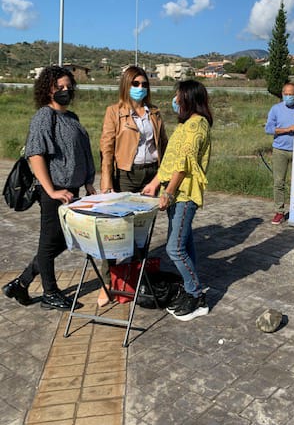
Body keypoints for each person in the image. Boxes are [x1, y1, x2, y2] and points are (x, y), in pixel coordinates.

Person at [2, 66, 96, 310]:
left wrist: (88, 181)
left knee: (66, 239)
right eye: (59, 87)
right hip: (55, 192)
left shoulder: (71, 117)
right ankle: (50, 293)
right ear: (48, 90)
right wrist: (52, 191)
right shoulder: (45, 116)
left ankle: (20, 284)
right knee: (48, 243)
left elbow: (82, 153)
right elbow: (35, 154)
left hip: (72, 190)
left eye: (68, 87)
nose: (65, 91)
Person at [97, 65, 168, 306]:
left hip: (151, 174)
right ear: (126, 85)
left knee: (141, 230)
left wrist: (163, 177)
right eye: (135, 83)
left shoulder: (154, 113)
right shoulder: (115, 112)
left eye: (144, 84)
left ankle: (131, 278)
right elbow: (106, 147)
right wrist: (106, 178)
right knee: (115, 230)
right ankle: (107, 282)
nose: (140, 88)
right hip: (126, 174)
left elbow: (164, 146)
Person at [142, 79, 212, 322]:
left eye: (178, 97)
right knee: (186, 243)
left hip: (183, 194)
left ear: (188, 99)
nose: (175, 101)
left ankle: (197, 296)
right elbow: (170, 161)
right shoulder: (185, 125)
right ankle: (189, 286)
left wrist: (169, 192)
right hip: (176, 193)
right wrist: (154, 183)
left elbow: (184, 166)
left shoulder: (197, 126)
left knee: (174, 248)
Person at [265, 82, 294, 224]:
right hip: (280, 150)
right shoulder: (275, 109)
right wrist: (287, 130)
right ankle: (279, 211)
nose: (288, 96)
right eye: (286, 94)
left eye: (291, 94)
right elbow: (268, 129)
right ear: (282, 94)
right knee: (279, 182)